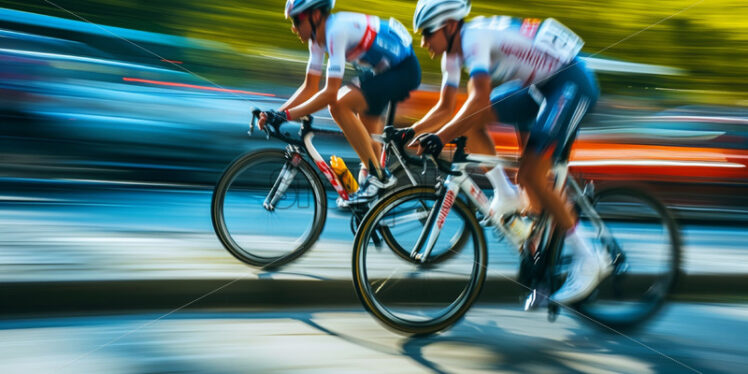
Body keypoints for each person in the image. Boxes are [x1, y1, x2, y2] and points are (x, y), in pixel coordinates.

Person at [404, 0, 610, 305]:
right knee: (473, 126)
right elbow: (447, 107)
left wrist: (441, 136)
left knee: (531, 174)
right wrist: (412, 132)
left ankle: (590, 258)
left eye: (427, 32)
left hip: (570, 82)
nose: (423, 42)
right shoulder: (452, 50)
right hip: (539, 87)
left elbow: (479, 99)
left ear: (449, 26)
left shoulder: (473, 39)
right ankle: (506, 192)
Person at [259, 0, 422, 206]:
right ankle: (376, 213)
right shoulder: (316, 40)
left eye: (297, 20)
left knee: (339, 105)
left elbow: (330, 94)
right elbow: (310, 87)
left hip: (403, 69)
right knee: (368, 143)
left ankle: (378, 177)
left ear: (315, 16)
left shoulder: (335, 30)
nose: (294, 28)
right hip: (383, 71)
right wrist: (276, 113)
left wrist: (287, 116)